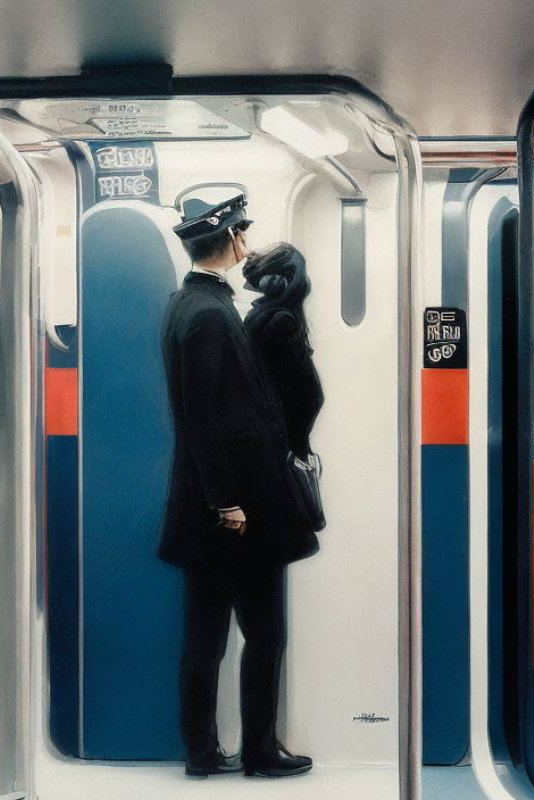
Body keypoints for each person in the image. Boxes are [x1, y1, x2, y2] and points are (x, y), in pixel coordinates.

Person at [158, 193, 317, 779]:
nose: (247, 241)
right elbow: (207, 421)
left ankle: (202, 753)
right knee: (265, 633)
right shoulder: (209, 316)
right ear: (233, 239)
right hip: (234, 513)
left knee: (205, 636)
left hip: (211, 509)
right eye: (243, 231)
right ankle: (259, 751)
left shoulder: (188, 304)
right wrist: (227, 502)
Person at [241, 243, 324, 461]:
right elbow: (310, 395)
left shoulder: (255, 318)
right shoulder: (282, 322)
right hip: (287, 449)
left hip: (270, 442)